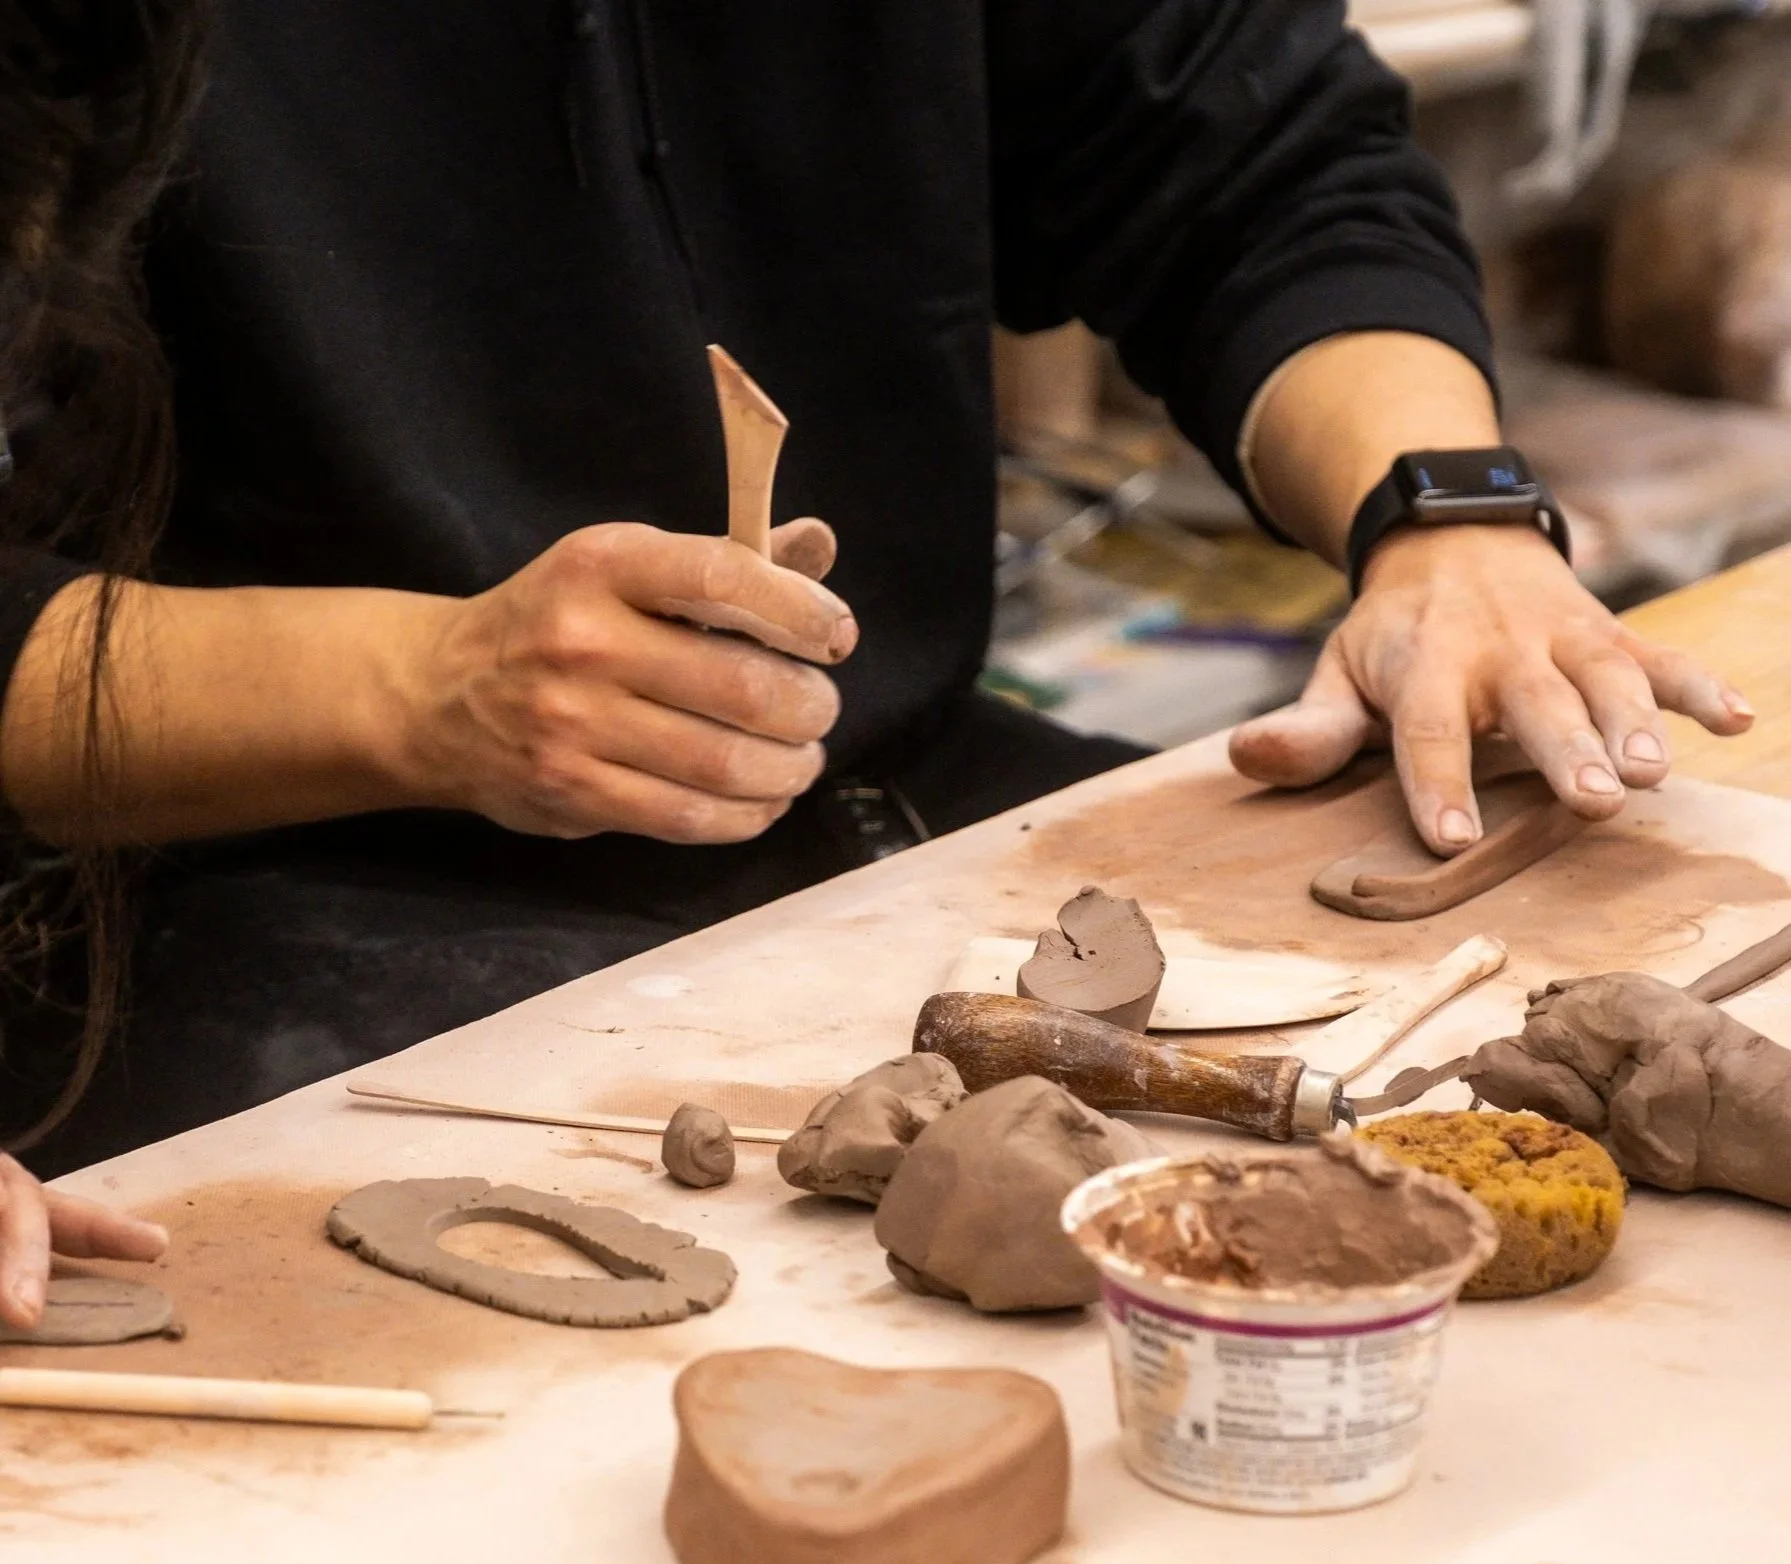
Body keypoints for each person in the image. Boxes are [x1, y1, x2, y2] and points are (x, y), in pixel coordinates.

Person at [0, 0, 1752, 1328]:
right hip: (241, 875)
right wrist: (413, 688)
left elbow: (1242, 151)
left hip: (881, 766)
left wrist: (1443, 517)